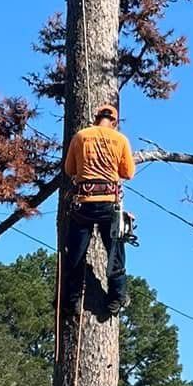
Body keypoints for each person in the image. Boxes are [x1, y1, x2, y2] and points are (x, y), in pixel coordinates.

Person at [61, 100, 137, 316]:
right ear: (114, 121)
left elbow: (69, 169)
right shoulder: (120, 139)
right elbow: (128, 173)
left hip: (83, 203)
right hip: (108, 204)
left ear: (96, 119)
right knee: (115, 251)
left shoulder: (81, 137)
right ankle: (117, 296)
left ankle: (72, 300)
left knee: (75, 253)